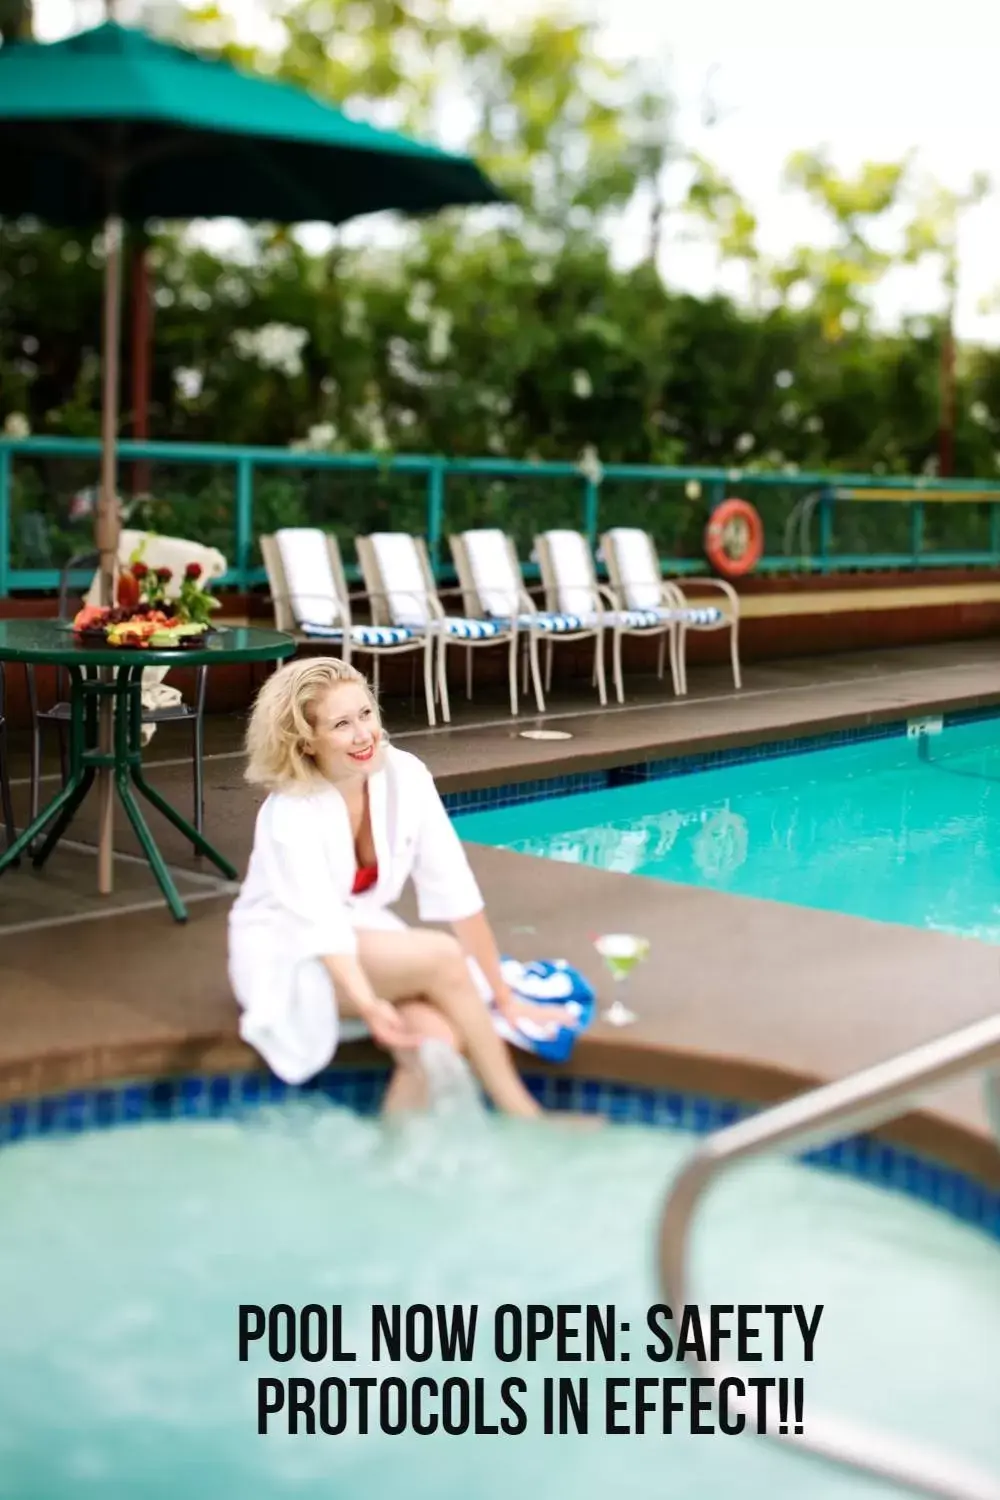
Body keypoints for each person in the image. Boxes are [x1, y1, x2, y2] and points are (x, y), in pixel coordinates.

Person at [228, 656, 578, 1118]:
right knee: (443, 958)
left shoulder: (405, 775)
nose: (363, 734)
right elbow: (320, 927)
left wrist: (506, 998)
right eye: (341, 725)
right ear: (305, 740)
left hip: (360, 935)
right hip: (289, 951)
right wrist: (370, 1006)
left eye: (366, 714)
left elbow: (455, 887)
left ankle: (391, 1166)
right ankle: (523, 1112)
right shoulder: (290, 811)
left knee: (436, 1043)